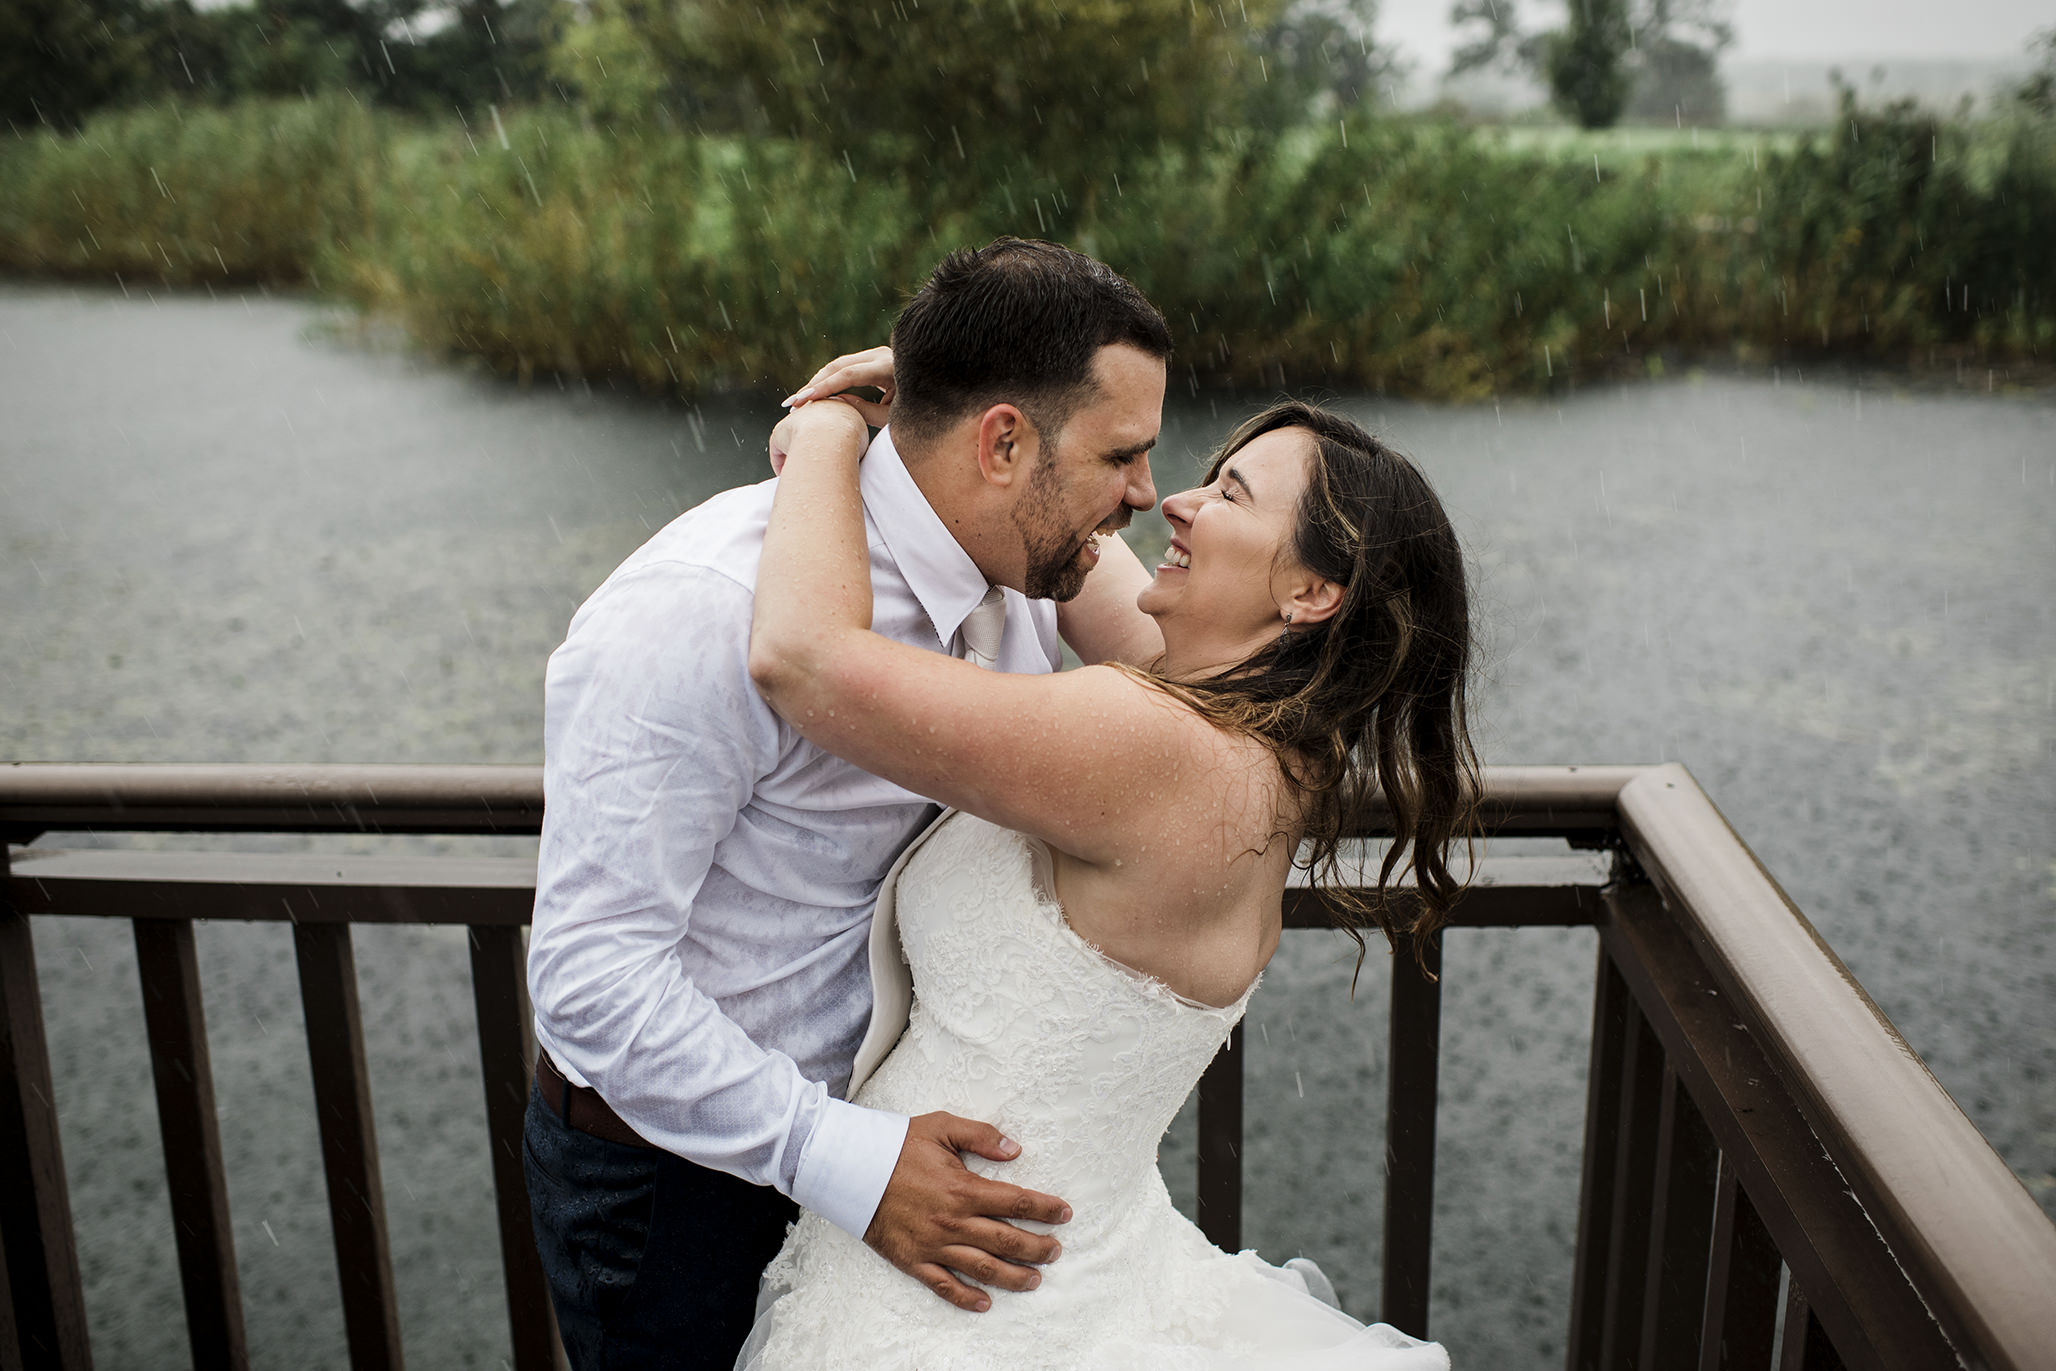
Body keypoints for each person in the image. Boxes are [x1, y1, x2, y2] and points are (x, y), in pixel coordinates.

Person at [736, 362, 1477, 1367]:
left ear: (1309, 590)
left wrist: (824, 428)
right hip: (1055, 1274)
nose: (1173, 499)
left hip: (964, 1313)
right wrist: (957, 399)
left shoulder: (1154, 749)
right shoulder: (1267, 739)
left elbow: (802, 659)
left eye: (1229, 496)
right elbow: (1090, 563)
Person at [521, 238, 1178, 1370]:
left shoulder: (1024, 570)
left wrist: (848, 416)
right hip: (681, 1189)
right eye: (1122, 455)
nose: (1146, 496)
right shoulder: (702, 606)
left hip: (892, 1159)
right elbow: (591, 980)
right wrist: (845, 1163)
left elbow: (1187, 680)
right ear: (1004, 441)